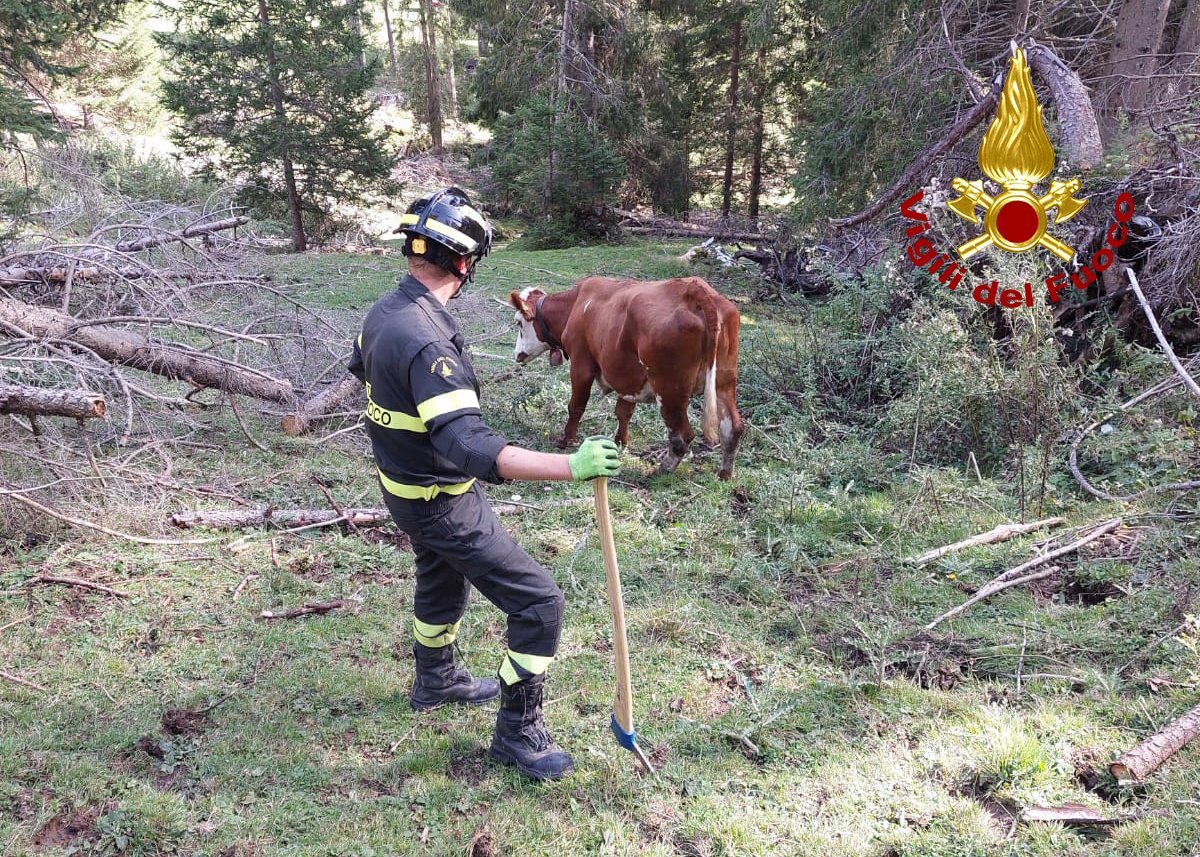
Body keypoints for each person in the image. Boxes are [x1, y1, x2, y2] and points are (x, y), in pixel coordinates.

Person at [348, 187, 621, 782]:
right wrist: (571, 465)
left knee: (440, 572)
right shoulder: (427, 340)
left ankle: (436, 679)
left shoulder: (383, 314)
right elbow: (470, 447)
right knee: (538, 602)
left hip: (403, 487)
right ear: (464, 263)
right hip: (439, 498)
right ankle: (517, 733)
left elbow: (362, 370)